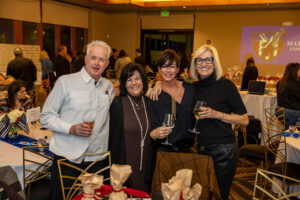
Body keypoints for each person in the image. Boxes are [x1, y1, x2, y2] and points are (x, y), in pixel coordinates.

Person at [40, 40, 115, 199]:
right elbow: (46, 116)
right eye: (93, 57)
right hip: (67, 158)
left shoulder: (108, 87)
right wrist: (71, 128)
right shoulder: (65, 82)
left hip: (97, 159)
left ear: (107, 64)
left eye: (101, 59)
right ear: (86, 59)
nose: (96, 63)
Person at [190, 44, 249, 200]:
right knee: (203, 194)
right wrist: (160, 84)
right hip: (201, 148)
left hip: (223, 150)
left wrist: (217, 114)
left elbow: (244, 120)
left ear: (215, 63)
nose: (203, 64)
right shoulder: (194, 87)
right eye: (199, 60)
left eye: (208, 59)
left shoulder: (226, 85)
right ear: (195, 64)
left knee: (219, 195)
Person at [109, 63, 151, 192]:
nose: (134, 83)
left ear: (143, 80)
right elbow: (112, 139)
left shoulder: (150, 102)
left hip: (147, 165)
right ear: (124, 83)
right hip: (124, 166)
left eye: (137, 78)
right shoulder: (117, 103)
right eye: (129, 79)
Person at [148, 49, 195, 153]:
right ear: (159, 69)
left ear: (178, 69)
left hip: (188, 151)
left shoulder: (190, 90)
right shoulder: (154, 95)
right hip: (163, 151)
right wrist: (158, 83)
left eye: (172, 66)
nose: (168, 70)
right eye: (164, 66)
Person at [276, 62, 300, 129]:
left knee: (287, 128)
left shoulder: (280, 82)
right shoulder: (297, 84)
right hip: (292, 113)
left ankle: (287, 133)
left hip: (280, 111)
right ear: (296, 71)